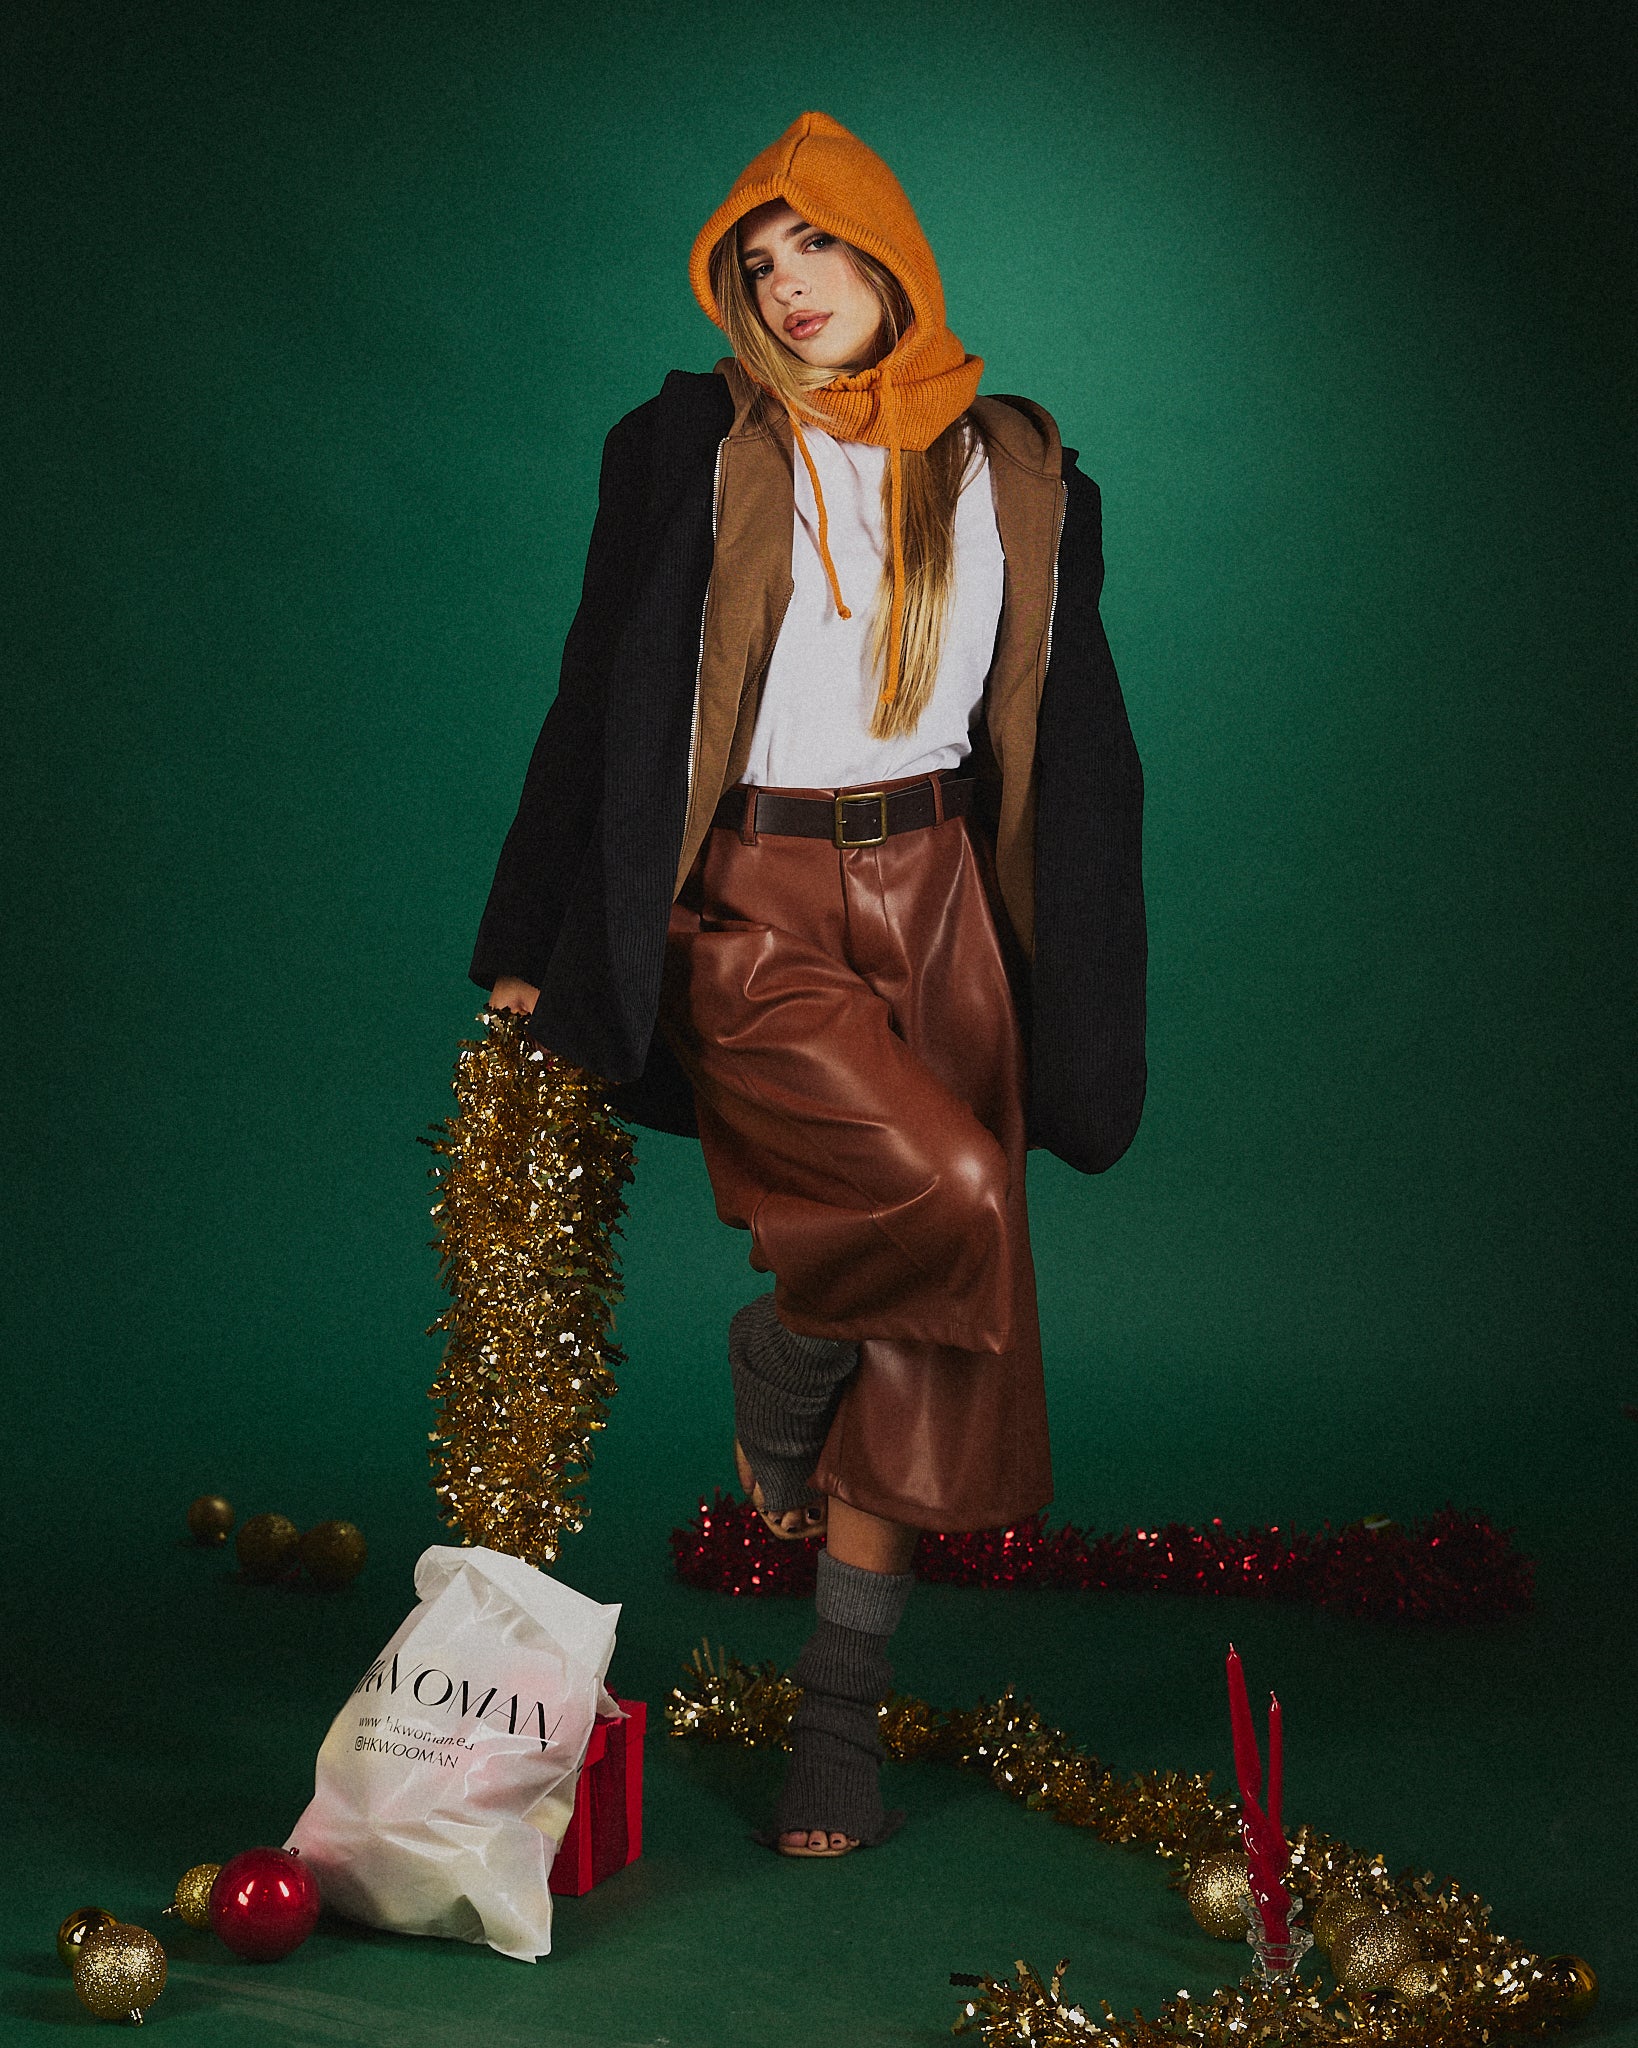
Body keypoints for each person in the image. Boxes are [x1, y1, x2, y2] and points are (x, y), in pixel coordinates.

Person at [471, 111, 1146, 1858]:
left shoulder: (1020, 471)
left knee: (933, 1337)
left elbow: (1070, 743)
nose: (787, 285)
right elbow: (594, 696)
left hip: (942, 898)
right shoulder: (691, 448)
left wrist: (1068, 970)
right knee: (948, 1197)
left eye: (816, 246)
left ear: (887, 252)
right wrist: (525, 941)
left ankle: (834, 1724)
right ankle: (784, 1349)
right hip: (754, 896)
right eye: (756, 265)